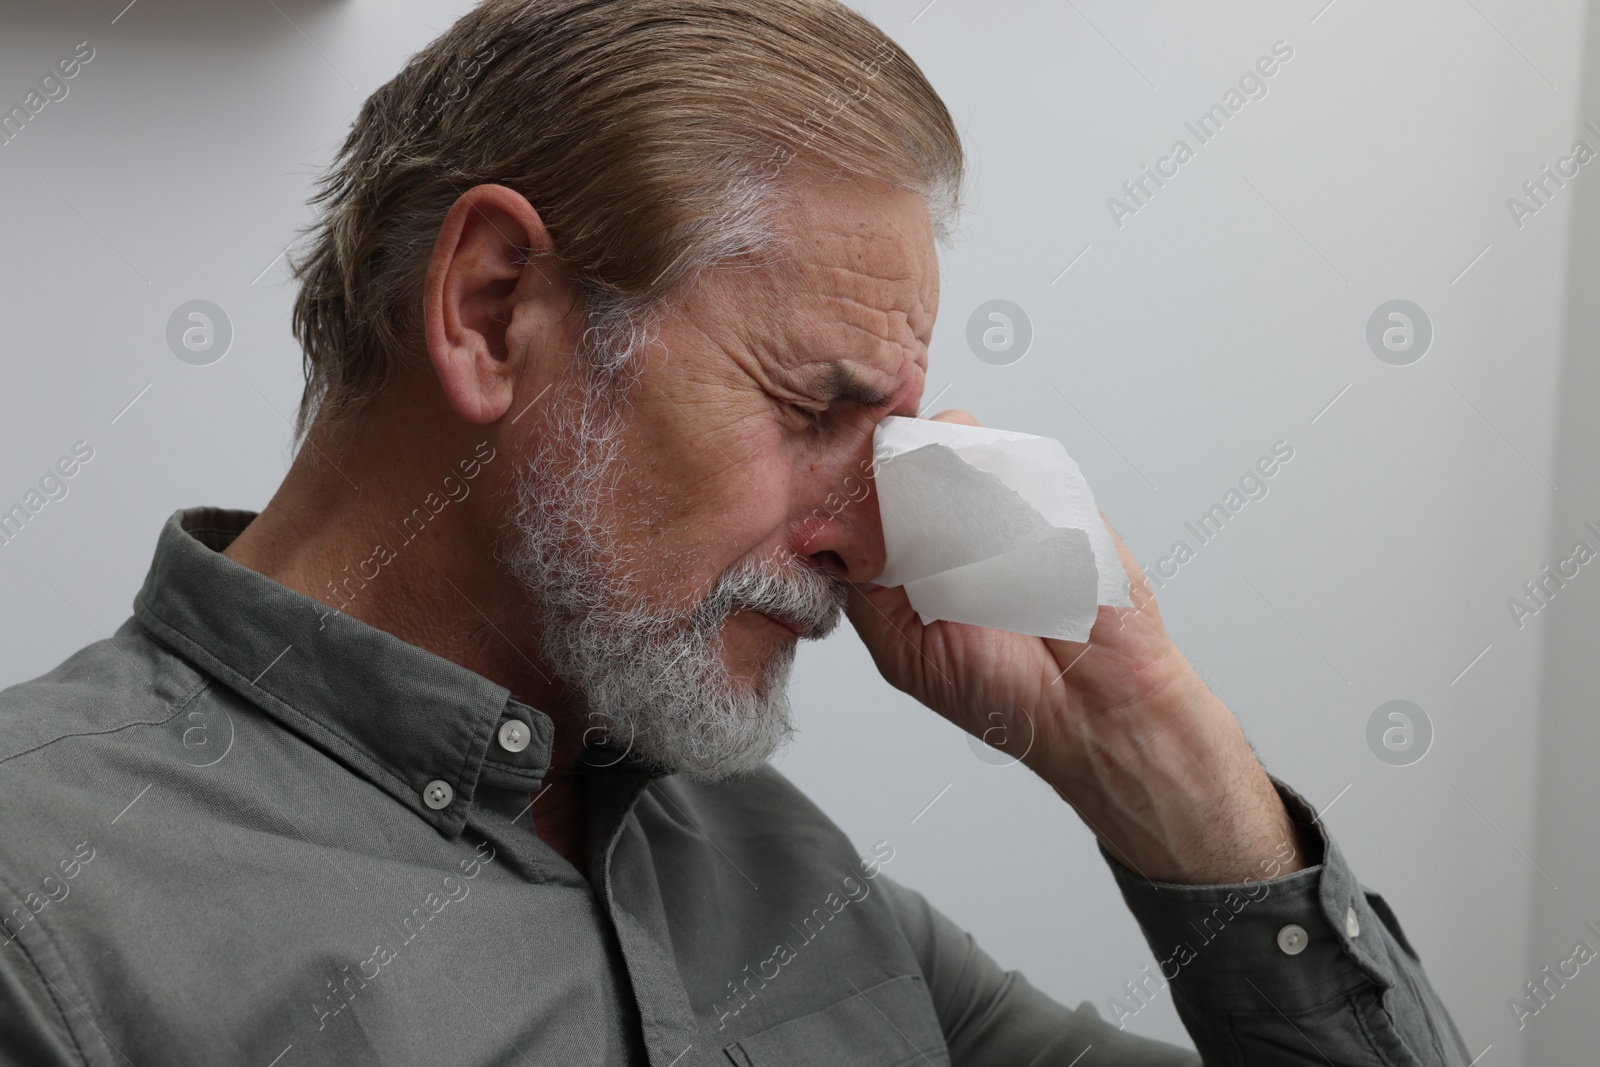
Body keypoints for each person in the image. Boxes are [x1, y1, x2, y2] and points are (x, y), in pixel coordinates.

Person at [0, 1, 1469, 1062]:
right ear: (494, 310)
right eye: (813, 408)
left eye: (889, 434)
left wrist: (1147, 748)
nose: (865, 531)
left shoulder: (782, 870)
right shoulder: (48, 908)